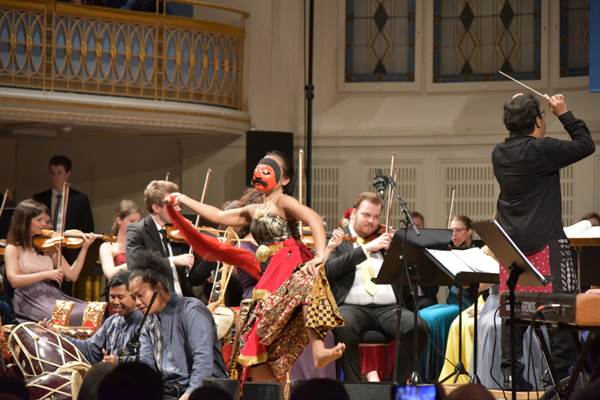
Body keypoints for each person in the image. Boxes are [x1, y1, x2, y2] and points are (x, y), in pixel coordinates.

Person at [164, 151, 345, 382]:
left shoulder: (284, 201)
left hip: (291, 261)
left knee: (306, 283)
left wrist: (320, 255)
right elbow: (219, 215)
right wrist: (183, 199)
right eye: (261, 167)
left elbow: (314, 219)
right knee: (253, 344)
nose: (262, 171)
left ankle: (318, 349)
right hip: (272, 271)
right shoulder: (253, 211)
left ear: (285, 179)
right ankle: (270, 390)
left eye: (271, 168)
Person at [492, 92, 595, 390]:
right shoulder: (542, 149)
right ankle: (560, 377)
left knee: (514, 313)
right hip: (545, 244)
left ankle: (512, 376)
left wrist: (518, 107)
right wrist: (563, 112)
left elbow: (519, 138)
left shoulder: (499, 153)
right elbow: (585, 145)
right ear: (538, 120)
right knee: (560, 313)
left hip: (512, 248)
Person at [325, 191, 426, 383]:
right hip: (351, 307)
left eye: (376, 216)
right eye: (366, 215)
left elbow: (410, 276)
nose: (372, 221)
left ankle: (394, 383)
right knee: (342, 324)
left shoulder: (386, 240)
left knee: (418, 327)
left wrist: (399, 252)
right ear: (353, 213)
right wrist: (366, 249)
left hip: (387, 308)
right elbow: (329, 270)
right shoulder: (339, 239)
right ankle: (354, 388)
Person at [129, 250, 227, 400]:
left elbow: (203, 361)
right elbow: (147, 367)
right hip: (169, 391)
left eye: (140, 295)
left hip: (203, 392)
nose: (136, 303)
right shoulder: (148, 320)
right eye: (134, 297)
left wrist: (190, 394)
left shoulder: (191, 310)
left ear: (159, 287)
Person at [4, 199, 95, 324]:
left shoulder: (49, 246)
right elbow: (14, 280)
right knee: (62, 317)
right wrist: (46, 274)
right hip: (28, 298)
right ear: (25, 221)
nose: (44, 224)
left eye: (46, 221)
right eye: (39, 220)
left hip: (51, 295)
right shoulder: (13, 248)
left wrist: (85, 248)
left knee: (91, 312)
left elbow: (72, 275)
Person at [126, 180, 212, 298]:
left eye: (179, 205)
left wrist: (213, 256)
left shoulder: (176, 233)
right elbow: (134, 263)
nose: (179, 210)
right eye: (173, 205)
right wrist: (172, 261)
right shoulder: (137, 231)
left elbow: (193, 279)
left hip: (183, 302)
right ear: (156, 207)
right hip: (155, 302)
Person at [68, 271, 143, 364]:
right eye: (112, 297)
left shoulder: (145, 322)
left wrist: (119, 361)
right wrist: (57, 336)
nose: (115, 302)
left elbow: (148, 359)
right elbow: (90, 349)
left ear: (134, 296)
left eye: (120, 297)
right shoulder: (111, 322)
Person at [33, 155, 94, 234]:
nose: (55, 177)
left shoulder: (80, 199)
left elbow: (88, 229)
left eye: (59, 173)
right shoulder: (39, 198)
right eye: (52, 173)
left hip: (71, 244)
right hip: (44, 243)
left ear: (68, 174)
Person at [99, 200, 142, 280]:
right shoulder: (107, 247)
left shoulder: (142, 244)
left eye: (138, 221)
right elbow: (110, 274)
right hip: (119, 290)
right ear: (119, 220)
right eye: (132, 221)